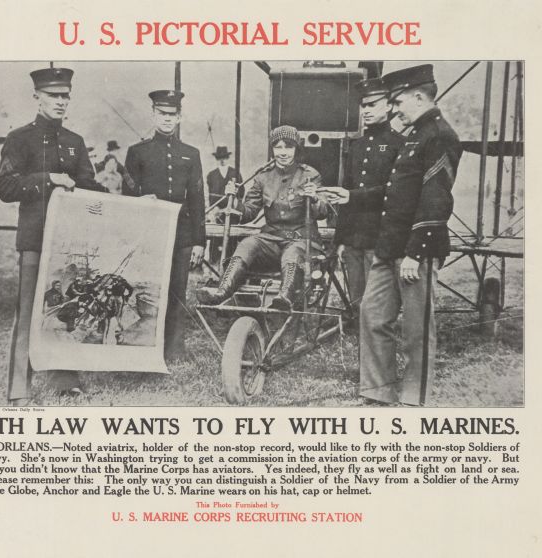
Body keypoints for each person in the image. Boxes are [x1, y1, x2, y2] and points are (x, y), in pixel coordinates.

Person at [332, 64, 462, 405]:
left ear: (419, 97)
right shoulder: (416, 134)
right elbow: (396, 194)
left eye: (399, 100)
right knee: (372, 315)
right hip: (388, 247)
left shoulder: (439, 135)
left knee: (416, 328)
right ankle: (377, 390)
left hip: (413, 251)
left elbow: (436, 199)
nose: (395, 107)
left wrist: (415, 253)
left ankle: (413, 396)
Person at [0, 66, 106, 405]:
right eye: (53, 95)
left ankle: (65, 379)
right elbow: (5, 187)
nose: (60, 102)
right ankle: (18, 388)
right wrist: (49, 177)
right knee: (28, 311)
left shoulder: (75, 141)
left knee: (66, 309)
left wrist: (131, 202)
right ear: (37, 97)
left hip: (69, 243)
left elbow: (89, 186)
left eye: (65, 96)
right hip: (34, 238)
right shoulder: (19, 138)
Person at [196, 125, 328, 310]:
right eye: (278, 147)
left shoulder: (310, 175)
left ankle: (284, 298)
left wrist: (314, 197)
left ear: (296, 149)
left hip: (303, 241)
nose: (283, 152)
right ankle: (221, 292)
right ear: (272, 149)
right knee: (248, 244)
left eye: (288, 147)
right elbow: (248, 212)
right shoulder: (263, 177)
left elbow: (323, 212)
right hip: (271, 240)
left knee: (293, 253)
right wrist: (233, 200)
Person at [124, 89, 205, 360]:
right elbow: (128, 196)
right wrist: (140, 200)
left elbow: (197, 200)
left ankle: (174, 350)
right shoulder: (137, 153)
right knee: (149, 290)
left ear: (180, 117)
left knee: (178, 291)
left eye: (172, 114)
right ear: (153, 114)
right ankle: (146, 347)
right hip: (150, 234)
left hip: (181, 235)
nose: (167, 119)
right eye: (162, 114)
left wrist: (199, 242)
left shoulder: (191, 154)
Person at [333, 78, 404, 326]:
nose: (366, 110)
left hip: (379, 236)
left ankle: (376, 338)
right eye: (364, 106)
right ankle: (362, 336)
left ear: (390, 106)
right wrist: (340, 239)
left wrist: (353, 197)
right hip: (354, 237)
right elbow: (347, 191)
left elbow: (395, 192)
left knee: (377, 303)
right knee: (357, 298)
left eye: (373, 104)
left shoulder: (399, 145)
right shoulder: (358, 146)